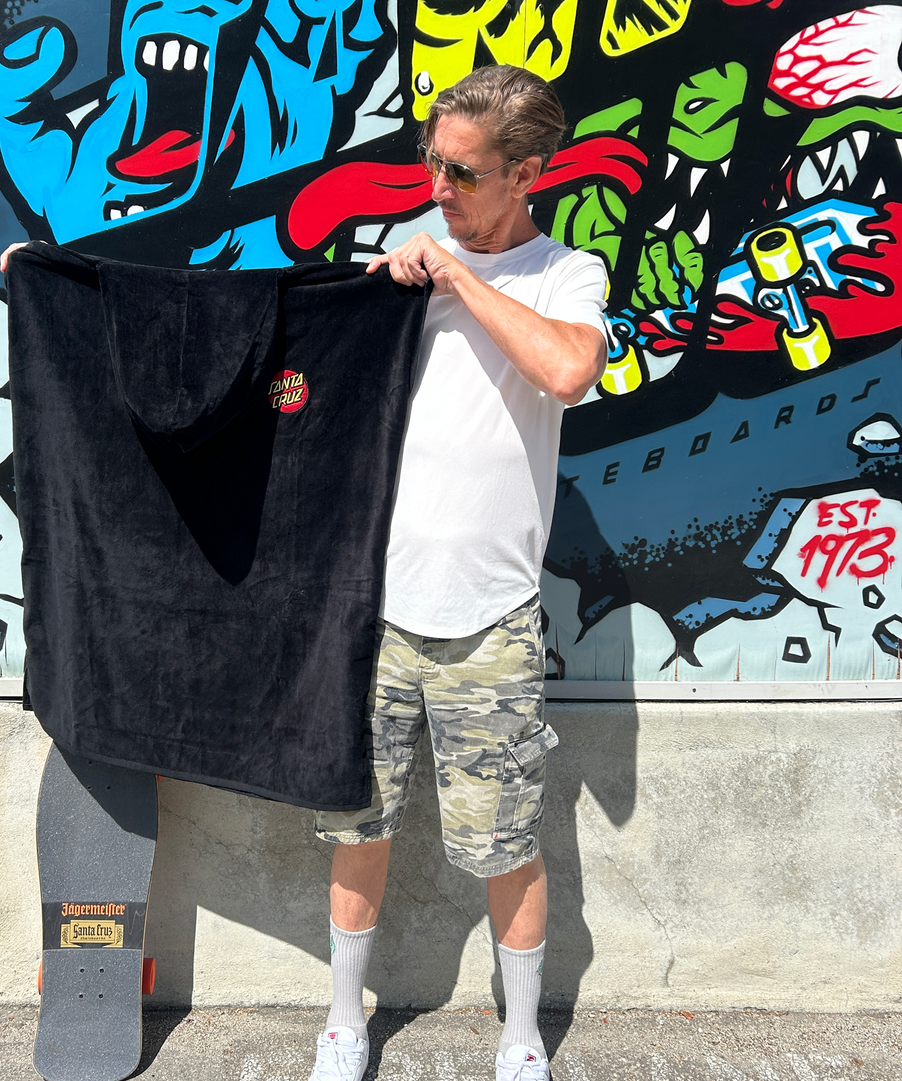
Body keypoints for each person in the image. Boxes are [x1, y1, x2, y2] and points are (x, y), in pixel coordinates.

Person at [307, 65, 609, 1081]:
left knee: (505, 841)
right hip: (373, 616)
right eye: (431, 162)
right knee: (357, 827)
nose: (437, 185)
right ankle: (345, 1018)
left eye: (464, 171)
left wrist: (458, 277)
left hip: (492, 620)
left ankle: (520, 1034)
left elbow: (568, 372)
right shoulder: (394, 283)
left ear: (526, 172)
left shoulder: (568, 274)